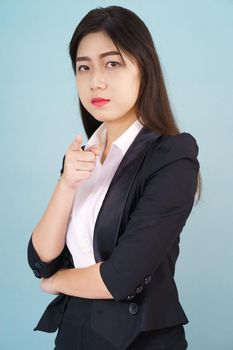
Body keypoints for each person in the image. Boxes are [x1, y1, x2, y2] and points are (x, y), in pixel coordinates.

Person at [27, 5, 202, 350]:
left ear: (143, 67)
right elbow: (40, 258)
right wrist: (66, 185)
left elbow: (121, 277)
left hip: (139, 341)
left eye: (112, 63)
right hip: (75, 334)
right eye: (83, 67)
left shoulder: (173, 155)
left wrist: (58, 281)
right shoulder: (83, 154)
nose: (96, 81)